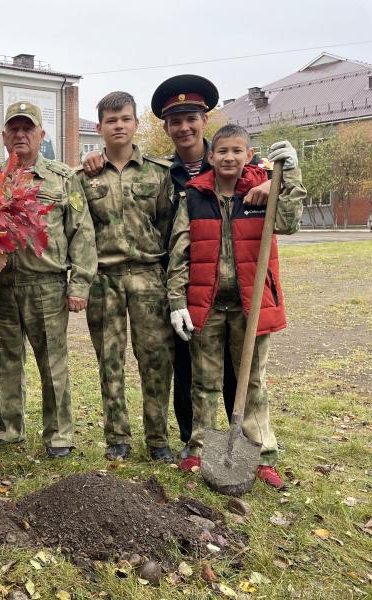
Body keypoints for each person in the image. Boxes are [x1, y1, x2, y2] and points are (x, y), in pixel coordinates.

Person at [82, 74, 298, 458]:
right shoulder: (167, 171)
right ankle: (191, 439)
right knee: (187, 367)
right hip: (182, 287)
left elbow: (278, 204)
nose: (184, 127)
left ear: (204, 122)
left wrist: (275, 181)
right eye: (175, 121)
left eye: (191, 118)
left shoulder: (242, 168)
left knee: (239, 371)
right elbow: (171, 234)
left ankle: (246, 444)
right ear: (166, 128)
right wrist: (176, 293)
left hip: (235, 288)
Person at [167, 123, 305, 488]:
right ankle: (199, 449)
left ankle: (262, 455)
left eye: (237, 151)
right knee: (204, 383)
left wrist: (289, 175)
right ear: (211, 156)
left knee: (254, 383)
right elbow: (180, 252)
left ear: (248, 155)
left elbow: (289, 223)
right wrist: (176, 299)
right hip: (206, 305)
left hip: (251, 304)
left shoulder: (264, 193)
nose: (229, 157)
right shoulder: (193, 196)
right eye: (222, 151)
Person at [0, 101, 96, 458]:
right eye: (13, 129)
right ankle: (11, 428)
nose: (20, 135)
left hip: (46, 285)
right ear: (3, 137)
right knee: (7, 360)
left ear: (41, 135)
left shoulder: (63, 178)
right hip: (1, 286)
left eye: (27, 128)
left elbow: (82, 233)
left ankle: (59, 435)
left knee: (53, 364)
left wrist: (79, 285)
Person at [76, 91, 175, 462]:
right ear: (99, 127)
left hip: (149, 277)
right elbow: (81, 232)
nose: (119, 125)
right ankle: (117, 435)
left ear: (136, 124)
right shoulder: (85, 177)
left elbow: (167, 226)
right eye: (111, 120)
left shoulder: (158, 173)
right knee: (110, 360)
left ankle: (158, 438)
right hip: (105, 279)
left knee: (155, 360)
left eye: (125, 119)